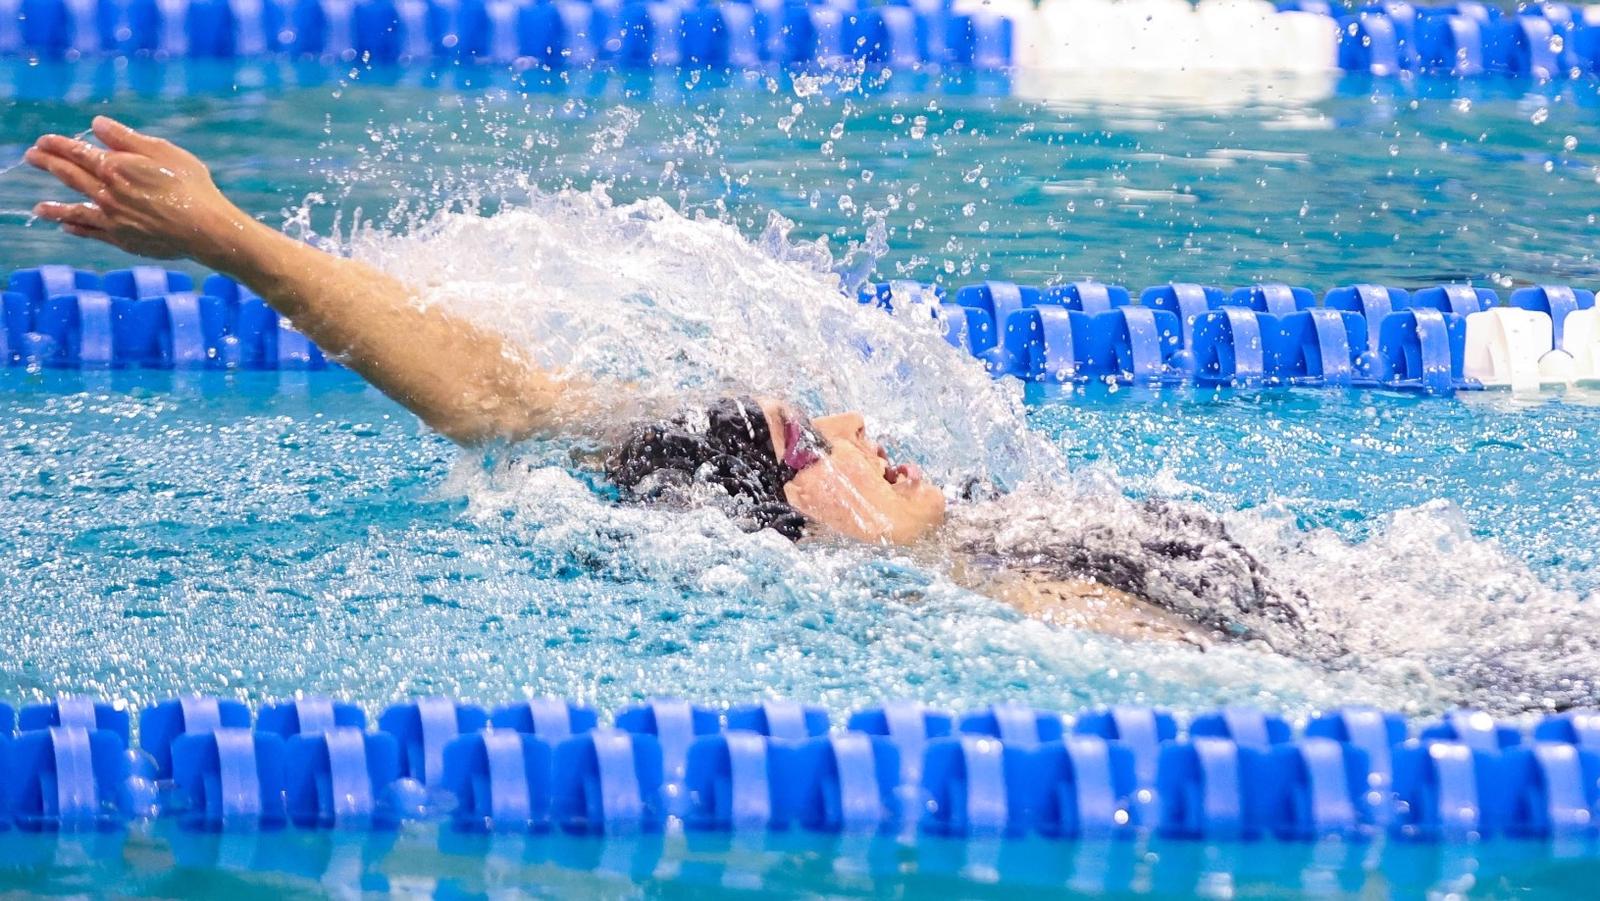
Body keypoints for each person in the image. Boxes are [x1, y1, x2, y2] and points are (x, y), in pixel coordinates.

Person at [24, 117, 1313, 651]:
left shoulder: (994, 528)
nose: (863, 424)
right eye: (819, 447)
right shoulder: (1002, 597)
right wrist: (915, 569)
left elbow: (508, 398)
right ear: (795, 528)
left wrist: (236, 238)